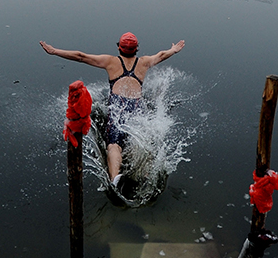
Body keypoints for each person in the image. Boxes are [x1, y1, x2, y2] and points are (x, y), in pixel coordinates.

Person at [40, 33, 185, 186]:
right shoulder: (144, 62)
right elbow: (161, 55)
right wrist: (174, 50)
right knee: (139, 140)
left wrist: (54, 51)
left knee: (114, 145)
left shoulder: (111, 62)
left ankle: (115, 179)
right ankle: (145, 175)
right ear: (137, 49)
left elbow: (80, 56)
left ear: (118, 47)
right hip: (137, 107)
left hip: (118, 107)